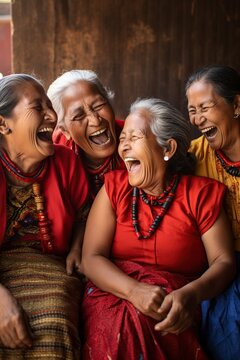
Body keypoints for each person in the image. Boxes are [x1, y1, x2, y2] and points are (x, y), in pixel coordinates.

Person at [80, 98, 236, 360]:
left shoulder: (201, 195)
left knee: (151, 321)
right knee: (126, 323)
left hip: (177, 302)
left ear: (168, 147)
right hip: (115, 294)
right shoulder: (114, 189)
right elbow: (91, 258)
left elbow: (224, 261)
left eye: (134, 137)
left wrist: (191, 295)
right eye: (123, 138)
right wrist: (134, 291)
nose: (124, 146)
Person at [0, 74, 89, 359]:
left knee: (54, 319)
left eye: (50, 105)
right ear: (3, 124)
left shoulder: (66, 162)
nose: (52, 115)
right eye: (38, 107)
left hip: (50, 265)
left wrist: (77, 247)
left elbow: (85, 213)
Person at [186, 65, 240, 360]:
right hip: (217, 264)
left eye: (205, 107)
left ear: (237, 105)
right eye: (192, 110)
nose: (197, 119)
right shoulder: (193, 156)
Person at [47, 70, 125, 198]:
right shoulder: (55, 155)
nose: (95, 120)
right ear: (65, 130)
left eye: (99, 105)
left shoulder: (137, 139)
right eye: (78, 116)